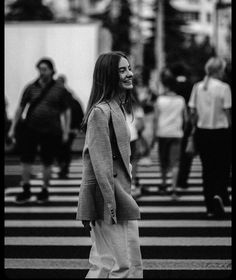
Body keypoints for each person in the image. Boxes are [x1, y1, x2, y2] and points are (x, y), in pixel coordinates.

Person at [76, 51, 143, 278]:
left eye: (128, 68)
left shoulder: (115, 107)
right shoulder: (101, 112)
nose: (129, 74)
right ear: (108, 76)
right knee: (122, 266)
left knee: (107, 264)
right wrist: (111, 207)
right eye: (122, 70)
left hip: (117, 195)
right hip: (111, 200)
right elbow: (100, 163)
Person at [8, 58, 70, 203]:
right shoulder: (30, 87)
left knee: (47, 161)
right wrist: (13, 128)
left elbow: (66, 111)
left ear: (52, 70)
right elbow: (20, 108)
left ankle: (44, 189)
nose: (42, 72)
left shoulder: (60, 89)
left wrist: (66, 131)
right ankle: (26, 189)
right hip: (31, 128)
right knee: (26, 160)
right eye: (40, 69)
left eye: (45, 69)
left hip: (51, 130)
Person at [188, 57, 232, 219]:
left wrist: (195, 126)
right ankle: (219, 194)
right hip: (221, 132)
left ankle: (209, 207)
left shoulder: (198, 87)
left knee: (207, 169)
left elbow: (192, 112)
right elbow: (228, 113)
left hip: (202, 132)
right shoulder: (224, 88)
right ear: (220, 70)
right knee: (222, 167)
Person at [153, 68, 187, 198]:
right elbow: (186, 118)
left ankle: (163, 183)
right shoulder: (181, 100)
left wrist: (155, 136)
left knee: (163, 161)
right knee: (175, 162)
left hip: (163, 133)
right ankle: (173, 189)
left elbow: (156, 118)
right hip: (176, 133)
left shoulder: (160, 100)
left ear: (165, 85)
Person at [56, 74, 84, 178]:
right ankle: (63, 166)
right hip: (59, 128)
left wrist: (76, 127)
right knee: (62, 149)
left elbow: (78, 112)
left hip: (68, 128)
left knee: (64, 148)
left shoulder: (68, 98)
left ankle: (64, 167)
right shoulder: (69, 97)